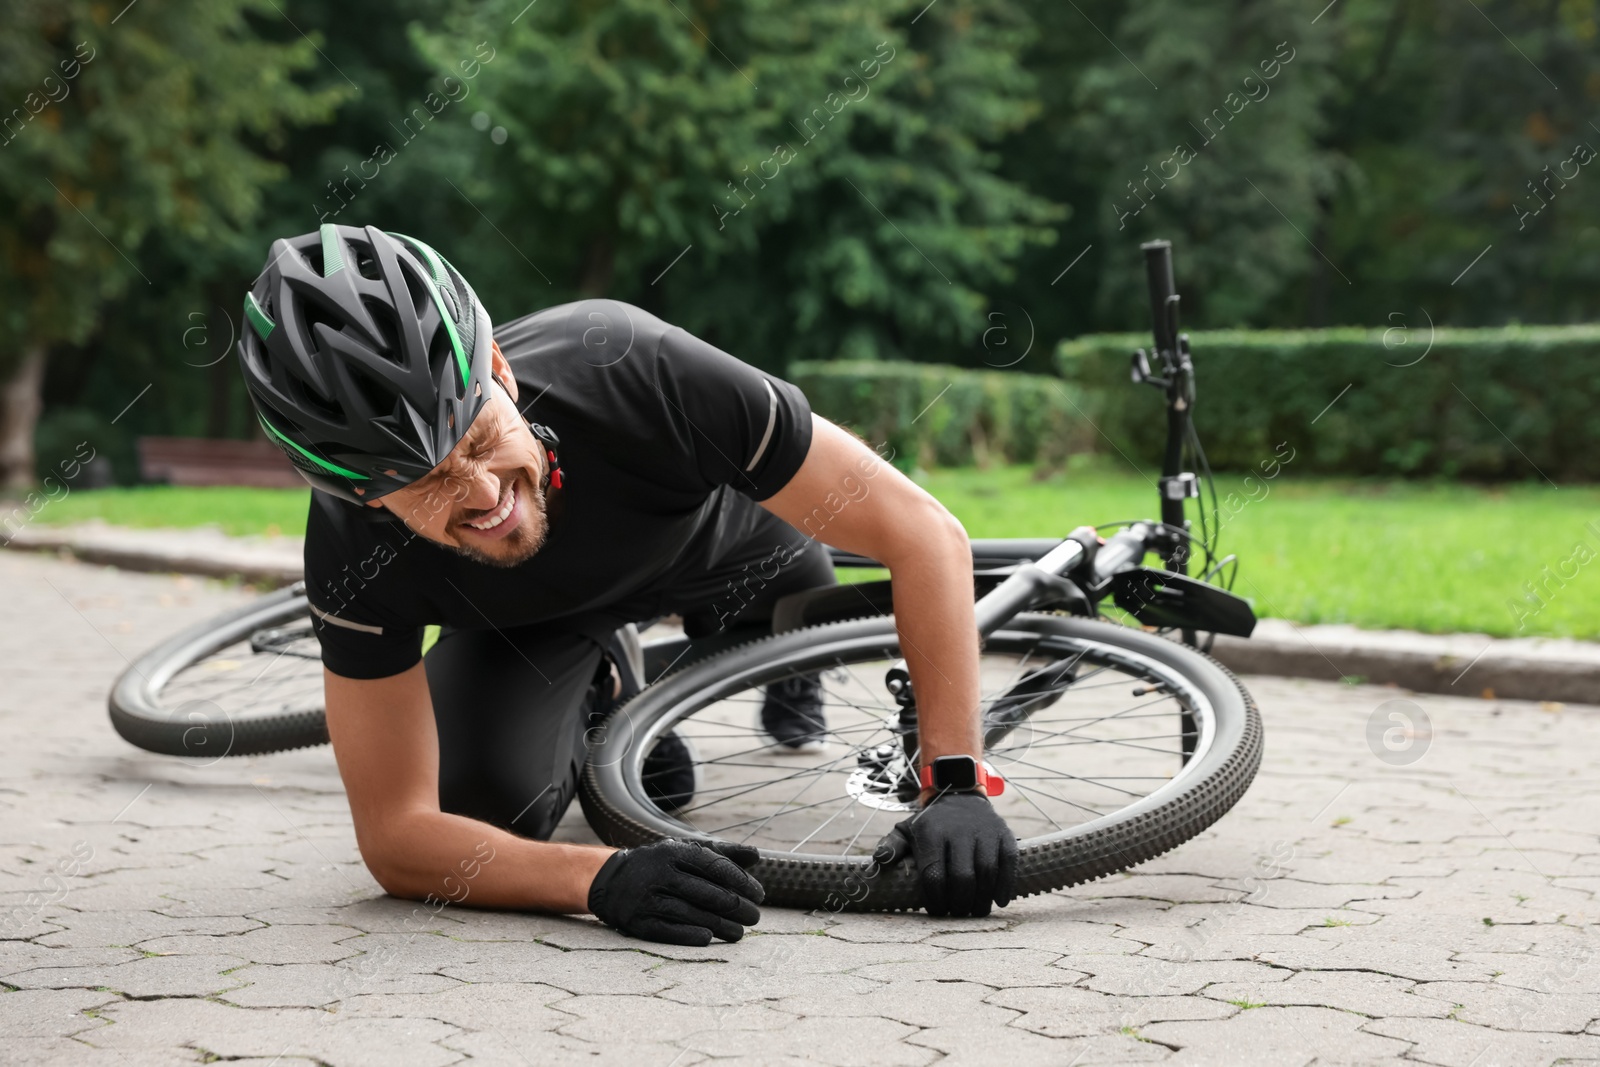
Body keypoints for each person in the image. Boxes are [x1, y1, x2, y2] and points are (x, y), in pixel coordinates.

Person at [235, 223, 1017, 946]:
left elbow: (923, 533)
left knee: (803, 626)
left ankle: (755, 687)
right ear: (365, 497)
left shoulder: (631, 363)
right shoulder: (348, 547)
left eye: (477, 437)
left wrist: (953, 779)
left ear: (499, 370)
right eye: (427, 482)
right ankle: (611, 685)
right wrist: (596, 877)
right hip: (535, 624)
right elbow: (397, 835)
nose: (479, 493)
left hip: (730, 553)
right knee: (477, 807)